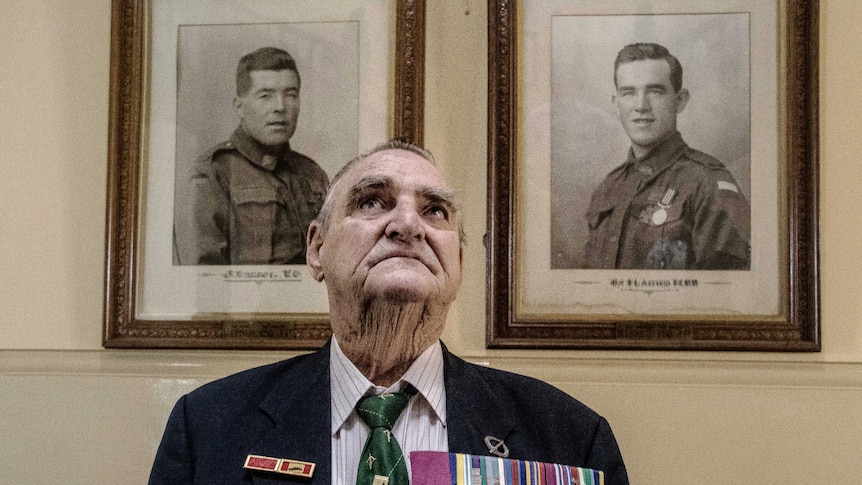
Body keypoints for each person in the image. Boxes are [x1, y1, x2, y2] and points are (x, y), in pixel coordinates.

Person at [149, 140, 629, 484]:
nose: (406, 224)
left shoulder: (570, 438)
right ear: (316, 249)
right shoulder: (208, 427)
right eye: (372, 201)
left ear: (458, 262)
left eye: (435, 211)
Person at [583, 43, 750, 270]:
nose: (641, 106)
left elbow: (726, 294)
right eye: (629, 92)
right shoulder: (608, 186)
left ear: (680, 100)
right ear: (616, 104)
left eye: (655, 91)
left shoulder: (708, 184)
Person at [176, 46, 329, 265]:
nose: (280, 107)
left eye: (291, 94)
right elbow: (203, 281)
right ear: (239, 107)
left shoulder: (314, 174)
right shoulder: (212, 174)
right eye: (266, 96)